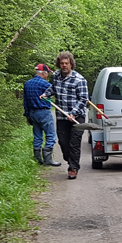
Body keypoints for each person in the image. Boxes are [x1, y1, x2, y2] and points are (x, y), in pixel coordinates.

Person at [49, 51, 88, 180]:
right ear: (59, 64)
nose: (64, 65)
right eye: (62, 63)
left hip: (77, 117)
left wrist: (73, 113)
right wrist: (46, 94)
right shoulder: (56, 76)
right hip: (61, 116)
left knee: (74, 143)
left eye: (66, 63)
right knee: (63, 142)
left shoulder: (80, 80)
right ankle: (70, 159)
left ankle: (73, 168)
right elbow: (53, 88)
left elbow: (83, 99)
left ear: (71, 64)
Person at [23, 63, 60, 167]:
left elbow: (25, 101)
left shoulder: (27, 84)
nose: (47, 75)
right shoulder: (45, 84)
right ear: (43, 73)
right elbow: (56, 91)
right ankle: (48, 159)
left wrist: (27, 115)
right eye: (47, 73)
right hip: (44, 112)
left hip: (32, 113)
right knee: (51, 135)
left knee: (37, 136)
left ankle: (38, 159)